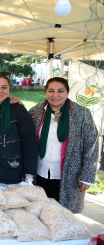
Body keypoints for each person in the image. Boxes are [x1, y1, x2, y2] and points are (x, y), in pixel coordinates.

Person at [29, 77, 98, 213]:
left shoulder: (82, 114)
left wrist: (87, 175)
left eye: (60, 91)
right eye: (51, 91)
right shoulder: (35, 112)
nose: (55, 95)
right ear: (45, 92)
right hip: (39, 173)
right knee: (38, 214)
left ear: (67, 92)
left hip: (68, 176)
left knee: (63, 217)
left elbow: (92, 145)